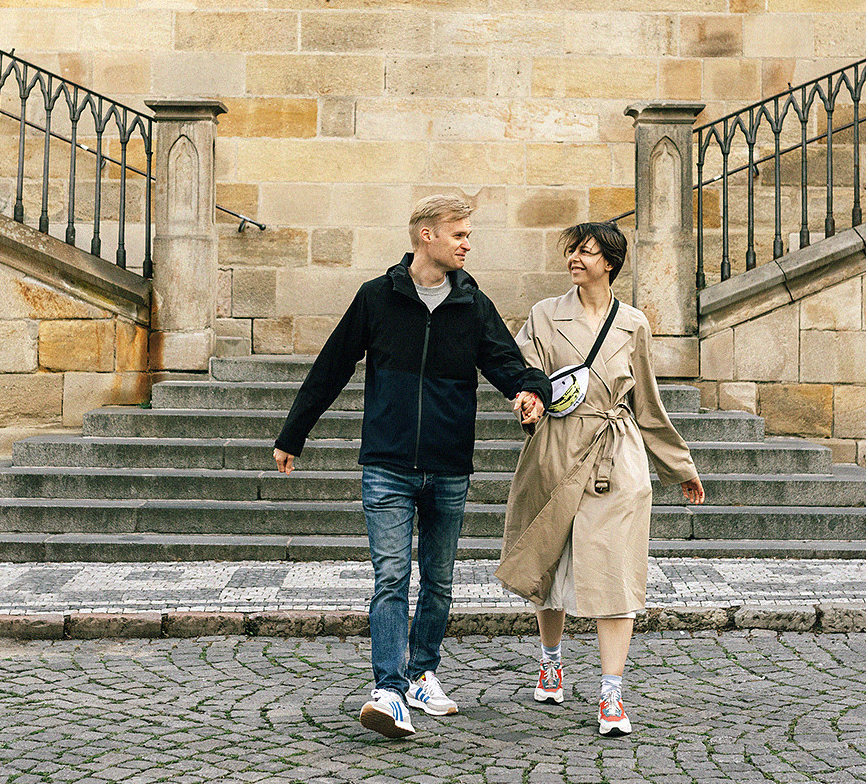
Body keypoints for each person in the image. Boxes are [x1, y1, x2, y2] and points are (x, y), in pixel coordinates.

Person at [274, 194, 550, 740]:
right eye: (459, 234)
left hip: (448, 465)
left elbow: (508, 363)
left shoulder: (472, 303)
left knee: (440, 582)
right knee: (392, 577)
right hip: (388, 463)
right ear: (427, 235)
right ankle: (389, 690)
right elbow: (332, 366)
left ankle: (423, 673)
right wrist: (293, 434)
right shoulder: (378, 297)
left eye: (468, 234)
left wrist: (529, 393)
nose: (467, 243)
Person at [495, 220, 704, 738]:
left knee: (617, 570)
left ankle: (612, 695)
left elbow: (648, 403)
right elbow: (525, 371)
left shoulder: (633, 323)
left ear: (609, 262)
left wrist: (679, 465)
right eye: (572, 250)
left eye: (587, 252)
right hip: (556, 451)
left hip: (617, 457)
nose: (576, 259)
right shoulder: (545, 314)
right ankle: (551, 661)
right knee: (548, 560)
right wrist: (527, 400)